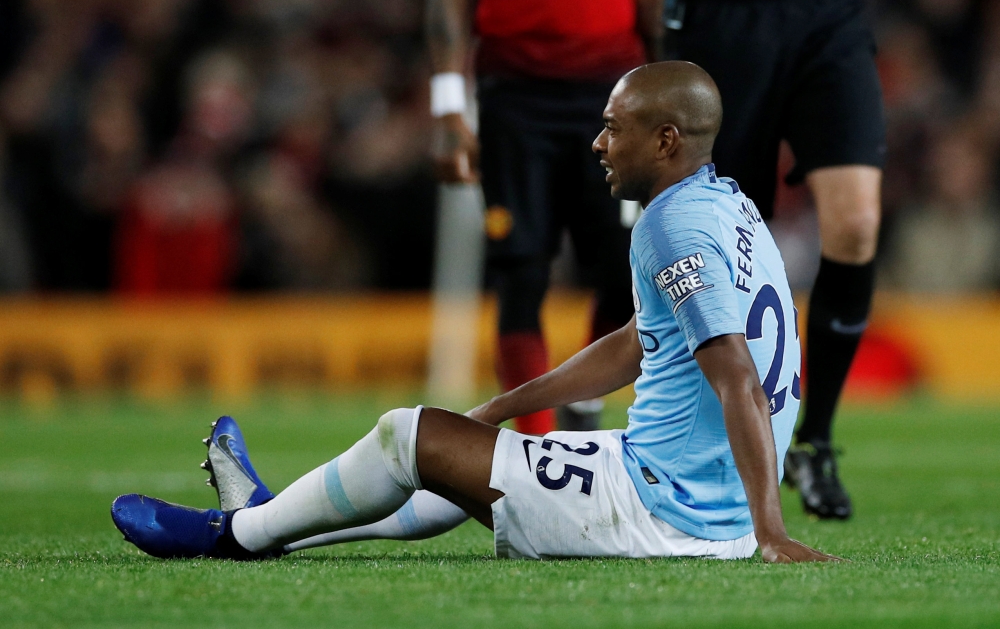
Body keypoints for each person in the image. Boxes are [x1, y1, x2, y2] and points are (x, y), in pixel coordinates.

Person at [111, 62, 836, 564]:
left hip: (672, 515)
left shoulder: (668, 226)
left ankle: (231, 536)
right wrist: (503, 406)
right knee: (468, 456)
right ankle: (269, 523)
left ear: (667, 140)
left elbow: (737, 378)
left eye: (615, 127)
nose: (598, 143)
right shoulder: (728, 203)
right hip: (700, 497)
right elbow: (639, 345)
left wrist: (771, 531)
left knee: (408, 436)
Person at [662, 0, 887, 519]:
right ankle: (715, 444)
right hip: (723, 15)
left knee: (855, 223)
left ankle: (816, 443)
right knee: (721, 227)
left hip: (829, 11)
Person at [426, 0, 665, 433]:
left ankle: (583, 400)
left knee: (626, 273)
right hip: (515, 94)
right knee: (520, 272)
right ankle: (537, 444)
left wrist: (669, 96)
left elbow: (655, 2)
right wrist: (448, 109)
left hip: (614, 90)